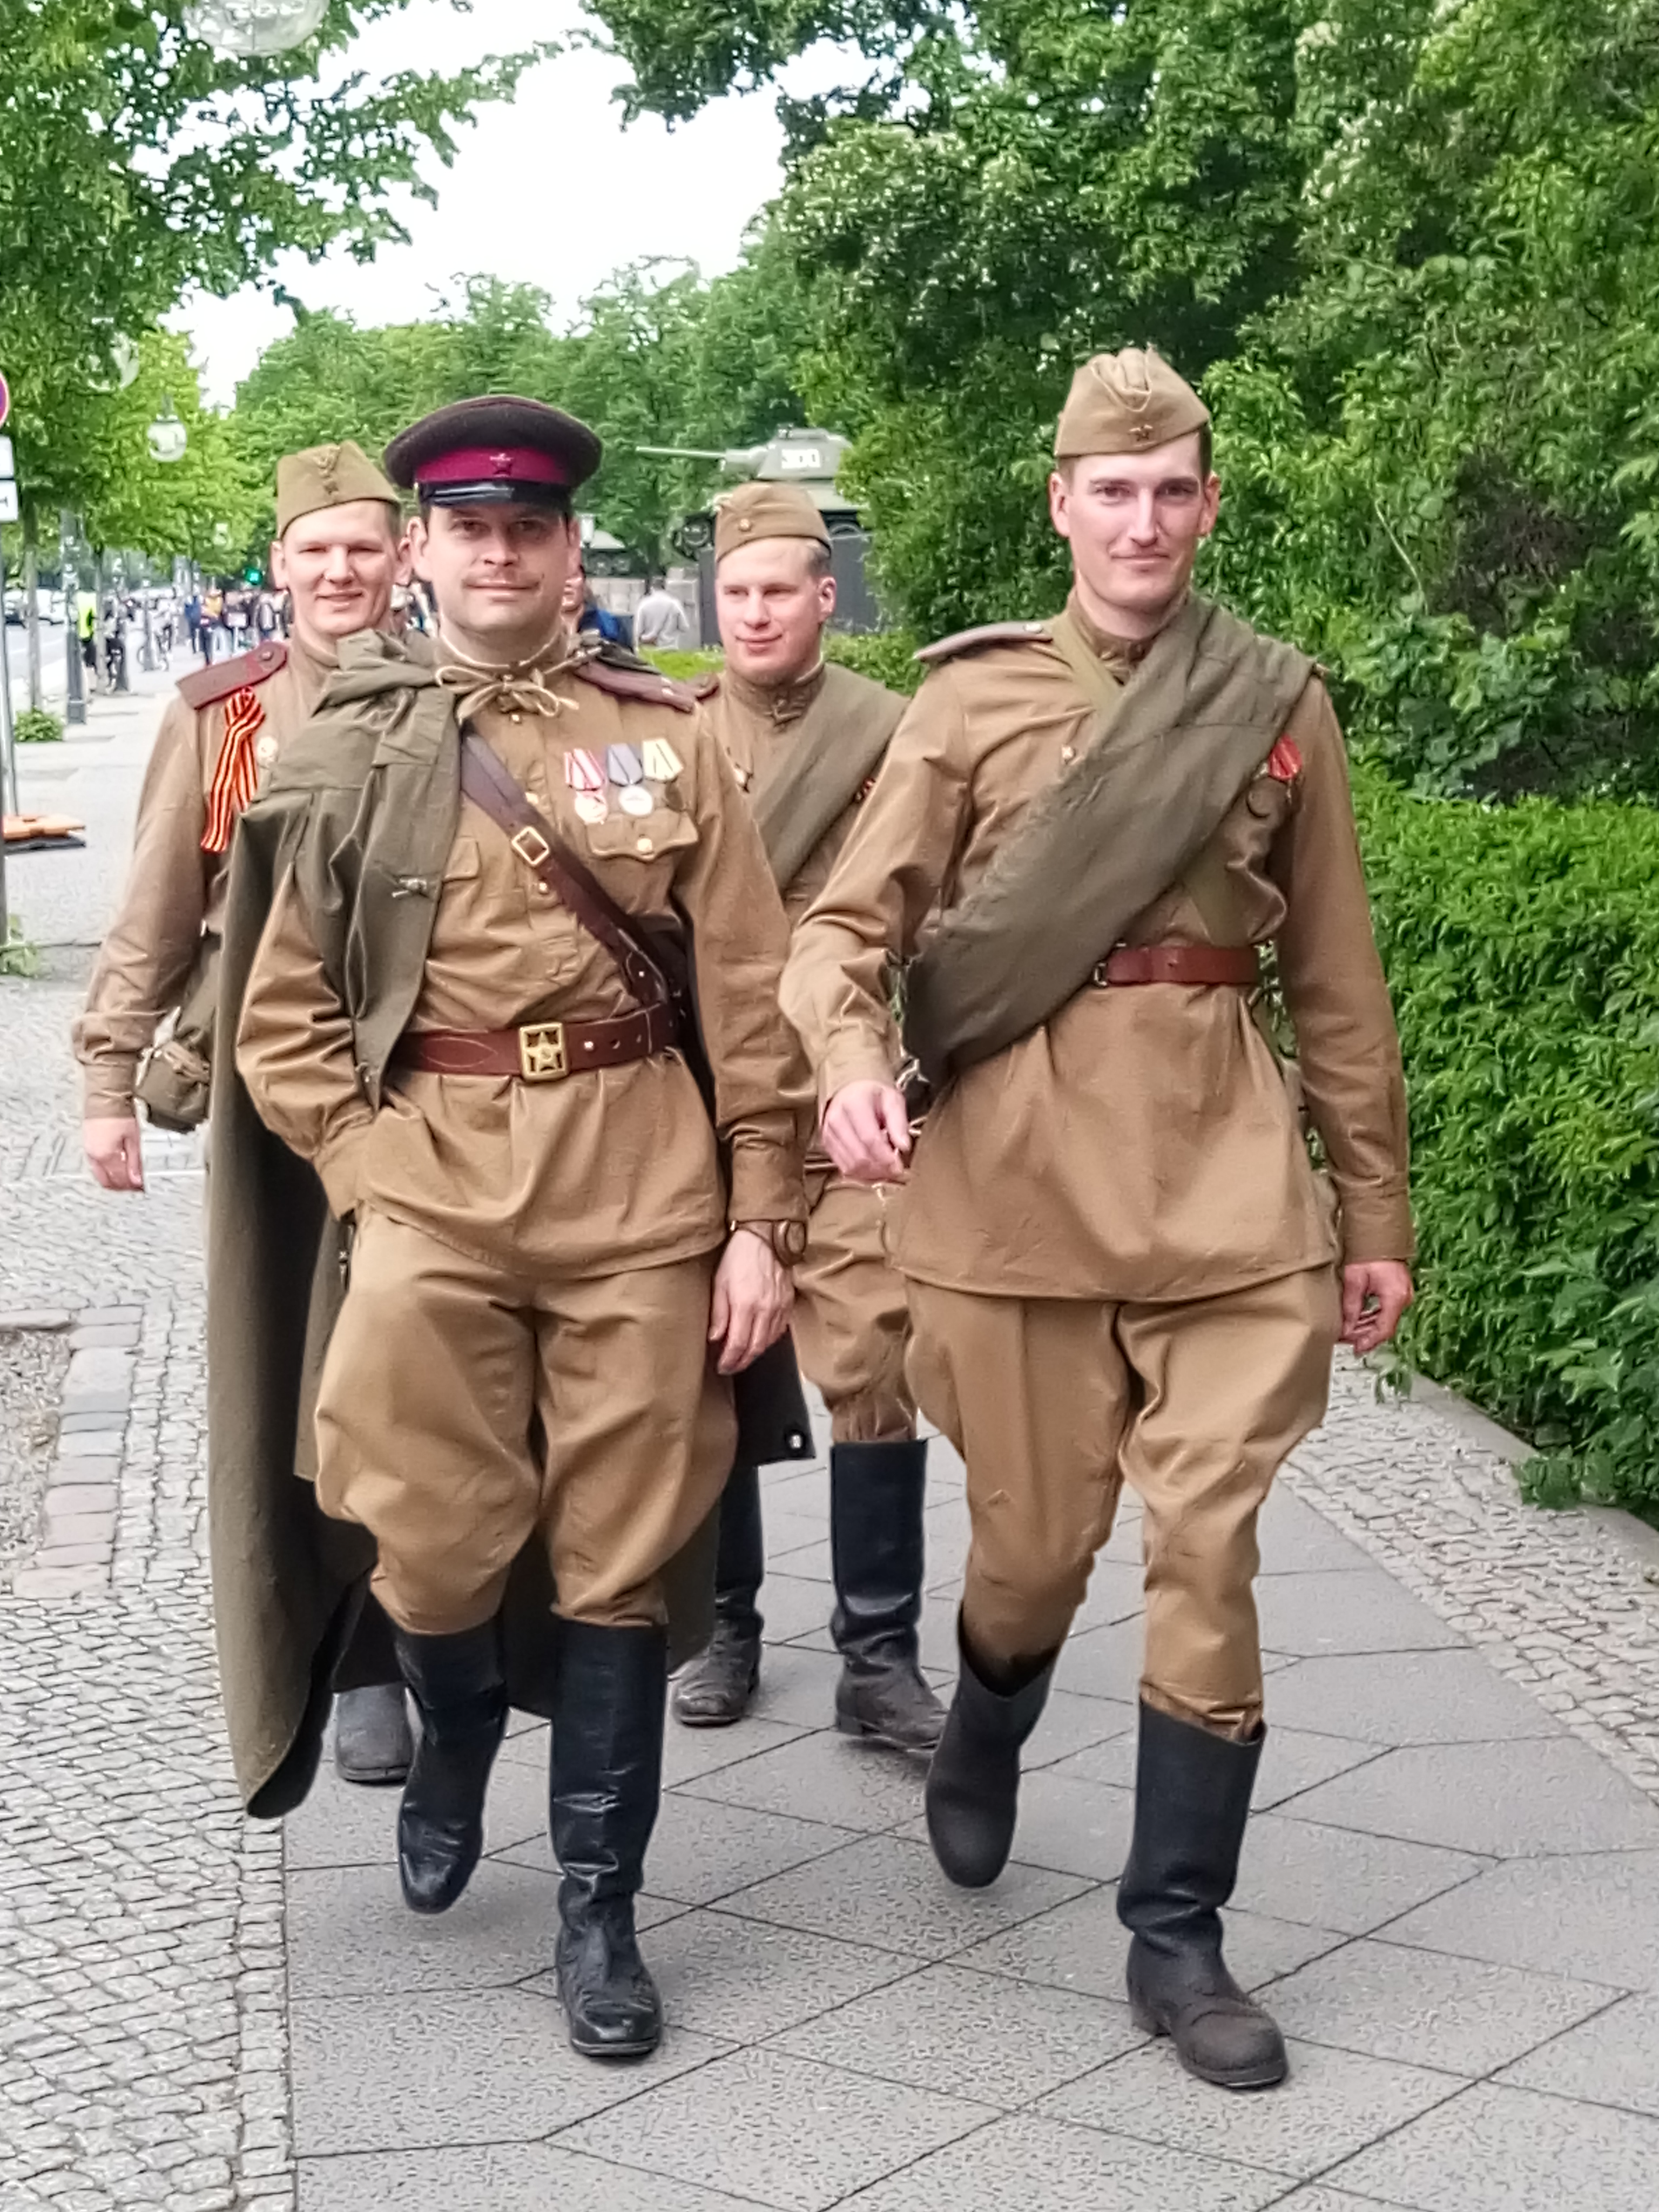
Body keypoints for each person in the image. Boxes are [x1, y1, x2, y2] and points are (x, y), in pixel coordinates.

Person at [782, 347, 1414, 2093]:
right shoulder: (968, 704)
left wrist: (1373, 1206)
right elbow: (842, 931)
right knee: (1034, 1556)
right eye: (1112, 491)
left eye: (1173, 491)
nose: (1144, 521)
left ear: (1207, 506)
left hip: (1229, 1190)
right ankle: (988, 1711)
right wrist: (849, 1058)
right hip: (1014, 1194)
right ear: (1061, 503)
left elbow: (1338, 982)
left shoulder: (1275, 699)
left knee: (1207, 1542)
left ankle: (1176, 1934)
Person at [221, 395, 812, 2061]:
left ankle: (599, 1911)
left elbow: (753, 997)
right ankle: (458, 1719)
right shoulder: (346, 745)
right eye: (470, 528)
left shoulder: (668, 737)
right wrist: (368, 1171)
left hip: (640, 1184)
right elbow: (282, 1019)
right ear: (421, 549)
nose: (500, 553)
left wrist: (762, 1218)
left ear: (568, 551)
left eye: (529, 529)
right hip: (439, 1184)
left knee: (621, 1556)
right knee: (424, 1526)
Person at [73, 441, 416, 1789]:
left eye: (362, 547)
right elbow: (159, 905)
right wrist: (107, 1079)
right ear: (279, 564)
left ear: (401, 557)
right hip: (272, 1101)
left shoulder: (445, 697)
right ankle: (356, 1661)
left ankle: (430, 1622)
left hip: (427, 1083)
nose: (339, 571)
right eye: (315, 550)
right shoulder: (227, 719)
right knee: (299, 1367)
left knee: (429, 1362)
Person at [670, 480, 943, 1754]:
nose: (754, 612)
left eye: (778, 589)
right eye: (735, 592)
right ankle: (721, 1626)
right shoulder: (667, 736)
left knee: (874, 1355)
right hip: (704, 1106)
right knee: (707, 1361)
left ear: (825, 596)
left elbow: (934, 913)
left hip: (842, 1101)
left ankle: (876, 1658)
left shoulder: (896, 734)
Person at [562, 553, 632, 648]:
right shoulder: (541, 627)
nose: (566, 583)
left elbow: (625, 655)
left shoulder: (608, 624)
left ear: (584, 582)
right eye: (558, 578)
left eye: (573, 577)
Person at [635, 574, 687, 648]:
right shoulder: (674, 603)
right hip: (670, 648)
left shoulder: (643, 604)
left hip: (649, 649)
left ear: (651, 588)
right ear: (665, 587)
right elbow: (684, 627)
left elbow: (638, 631)